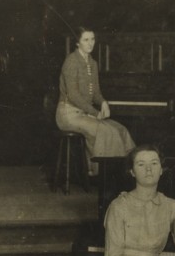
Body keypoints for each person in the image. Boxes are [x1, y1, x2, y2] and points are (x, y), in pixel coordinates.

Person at [55, 27, 135, 176]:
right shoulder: (71, 61)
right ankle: (105, 174)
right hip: (68, 114)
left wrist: (103, 102)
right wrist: (95, 112)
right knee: (105, 130)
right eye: (86, 40)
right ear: (77, 43)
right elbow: (73, 95)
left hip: (84, 113)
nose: (90, 43)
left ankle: (130, 171)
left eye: (92, 39)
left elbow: (96, 92)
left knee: (120, 129)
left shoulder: (92, 63)